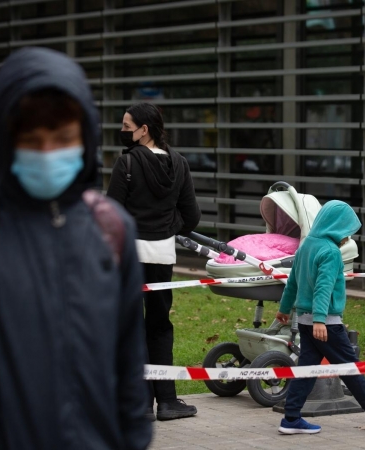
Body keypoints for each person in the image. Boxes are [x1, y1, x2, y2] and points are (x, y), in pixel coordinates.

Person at [0, 47, 151, 449]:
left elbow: (127, 360)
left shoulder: (110, 228)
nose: (47, 153)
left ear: (84, 138)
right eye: (31, 140)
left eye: (61, 139)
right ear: (5, 140)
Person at [274, 200, 365, 434]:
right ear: (335, 227)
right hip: (325, 325)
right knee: (350, 368)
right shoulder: (331, 252)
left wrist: (284, 309)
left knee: (306, 371)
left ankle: (291, 418)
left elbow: (292, 282)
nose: (348, 237)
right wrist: (321, 320)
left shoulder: (305, 246)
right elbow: (323, 288)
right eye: (347, 231)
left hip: (305, 320)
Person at [107, 103, 201, 421]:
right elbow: (192, 217)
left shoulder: (127, 163)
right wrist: (165, 229)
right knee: (160, 327)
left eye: (126, 125)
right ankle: (170, 402)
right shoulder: (179, 163)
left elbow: (111, 215)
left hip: (130, 258)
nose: (122, 131)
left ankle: (141, 405)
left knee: (133, 328)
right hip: (163, 256)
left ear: (143, 129)